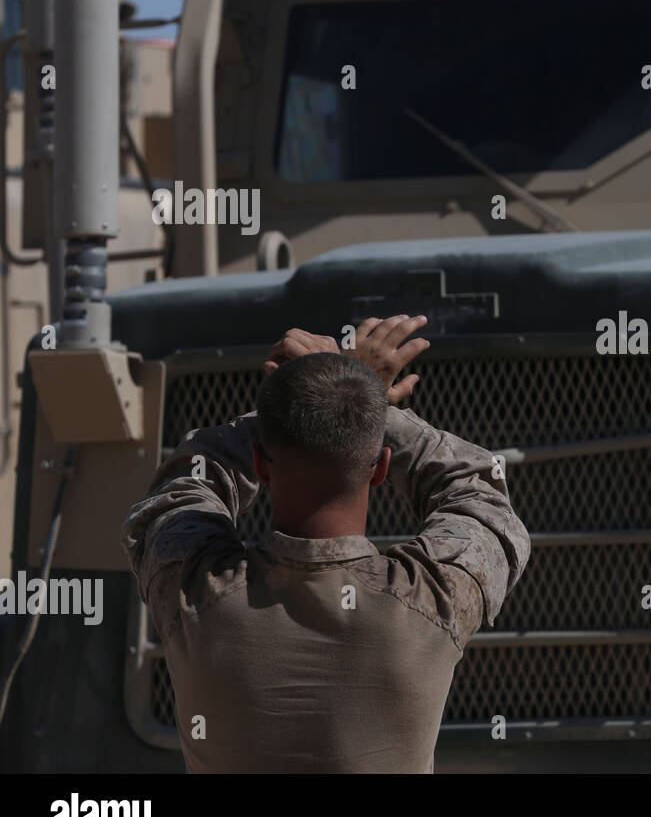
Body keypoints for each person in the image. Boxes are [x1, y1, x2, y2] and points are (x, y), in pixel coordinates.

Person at [121, 314, 530, 772]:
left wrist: (300, 398)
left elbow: (180, 488)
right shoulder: (432, 601)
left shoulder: (192, 590)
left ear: (260, 462)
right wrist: (366, 402)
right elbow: (482, 496)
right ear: (379, 468)